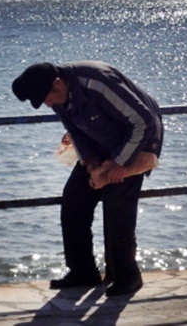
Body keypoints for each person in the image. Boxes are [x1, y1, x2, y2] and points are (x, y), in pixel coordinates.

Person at [12, 60, 163, 296]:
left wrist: (118, 164)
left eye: (47, 99)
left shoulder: (96, 83)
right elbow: (75, 130)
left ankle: (129, 275)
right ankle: (83, 271)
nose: (48, 104)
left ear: (58, 83)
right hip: (101, 143)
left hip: (139, 142)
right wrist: (90, 159)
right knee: (73, 201)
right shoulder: (56, 95)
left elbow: (144, 121)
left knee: (117, 205)